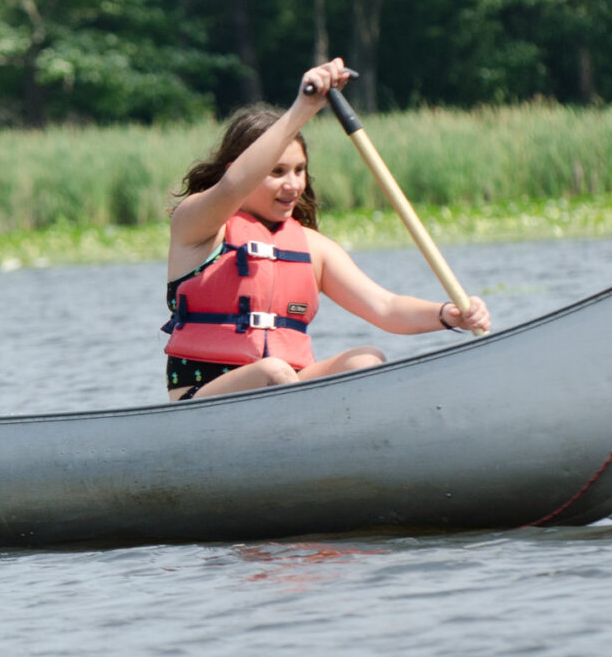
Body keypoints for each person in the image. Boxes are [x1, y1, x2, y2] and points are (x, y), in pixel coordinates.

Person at [164, 59, 490, 403]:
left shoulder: (312, 247)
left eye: (299, 170)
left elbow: (385, 307)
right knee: (273, 371)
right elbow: (233, 186)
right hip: (204, 396)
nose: (293, 184)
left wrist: (448, 314)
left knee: (366, 359)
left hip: (289, 388)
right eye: (277, 171)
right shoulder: (199, 227)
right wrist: (303, 108)